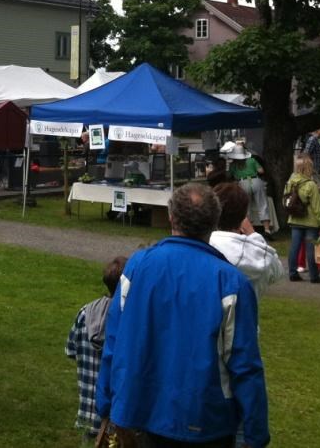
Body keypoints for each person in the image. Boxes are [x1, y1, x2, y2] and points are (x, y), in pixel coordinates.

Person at [97, 183, 269, 448]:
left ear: (171, 218)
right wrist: (256, 434)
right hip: (193, 418)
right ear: (214, 223)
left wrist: (106, 402)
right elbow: (245, 365)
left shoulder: (140, 267)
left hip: (160, 413)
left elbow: (114, 341)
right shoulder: (229, 282)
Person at [65, 256, 127, 446]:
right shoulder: (127, 320)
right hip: (116, 417)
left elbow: (70, 350)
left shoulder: (85, 312)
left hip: (87, 410)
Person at [209, 183, 284, 299]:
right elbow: (277, 270)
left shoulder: (205, 246)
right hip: (247, 314)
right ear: (245, 214)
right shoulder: (256, 253)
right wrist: (253, 233)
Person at [285, 154, 320, 283]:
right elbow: (318, 207)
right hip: (310, 221)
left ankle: (293, 273)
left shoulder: (290, 182)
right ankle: (314, 276)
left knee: (294, 247)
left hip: (295, 219)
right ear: (309, 168)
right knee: (311, 249)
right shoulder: (311, 185)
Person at [226, 143, 272, 235]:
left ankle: (249, 231)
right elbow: (261, 171)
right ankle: (267, 229)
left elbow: (228, 176)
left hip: (242, 183)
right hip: (256, 181)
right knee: (263, 205)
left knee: (246, 207)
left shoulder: (233, 165)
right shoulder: (252, 160)